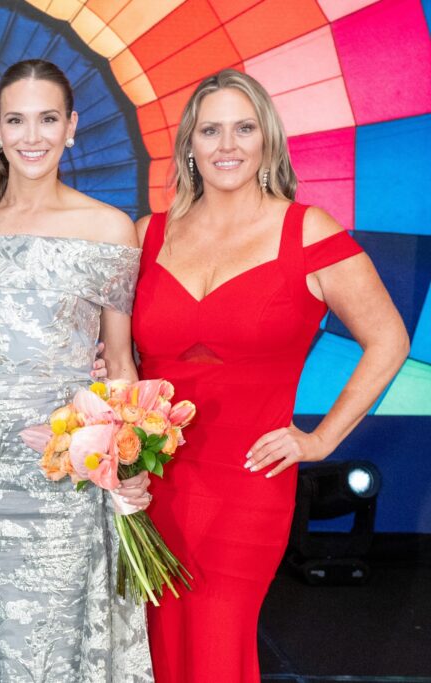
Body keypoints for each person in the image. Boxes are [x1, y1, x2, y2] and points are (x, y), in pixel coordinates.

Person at [132, 68, 409, 683]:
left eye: (243, 128)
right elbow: (117, 358)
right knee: (152, 649)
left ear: (267, 141)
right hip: (150, 484)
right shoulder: (147, 235)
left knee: (217, 643)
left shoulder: (308, 230)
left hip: (248, 481)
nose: (226, 145)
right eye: (210, 130)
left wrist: (321, 439)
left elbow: (388, 338)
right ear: (189, 146)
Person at [0, 59, 154, 682]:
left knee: (51, 639)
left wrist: (127, 465)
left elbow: (119, 362)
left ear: (71, 127)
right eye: (17, 120)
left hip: (64, 466)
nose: (32, 135)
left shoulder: (108, 228)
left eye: (47, 119)